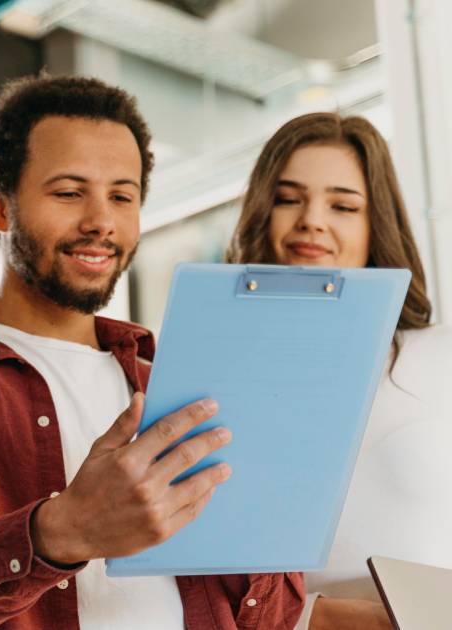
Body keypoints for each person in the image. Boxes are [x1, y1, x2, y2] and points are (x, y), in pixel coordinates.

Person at [0, 74, 305, 629]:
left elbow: (272, 619)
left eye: (122, 196)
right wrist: (60, 532)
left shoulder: (179, 383)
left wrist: (261, 526)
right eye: (68, 192)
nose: (101, 222)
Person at [229, 111, 450, 630]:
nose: (312, 219)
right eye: (288, 198)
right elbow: (207, 581)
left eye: (343, 205)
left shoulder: (439, 358)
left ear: (377, 226)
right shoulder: (222, 382)